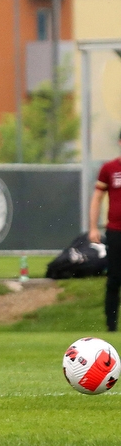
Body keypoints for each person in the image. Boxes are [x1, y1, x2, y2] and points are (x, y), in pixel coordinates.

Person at [89, 129, 121, 333]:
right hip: (116, 231)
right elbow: (97, 198)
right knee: (115, 278)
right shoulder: (109, 169)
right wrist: (93, 227)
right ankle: (111, 326)